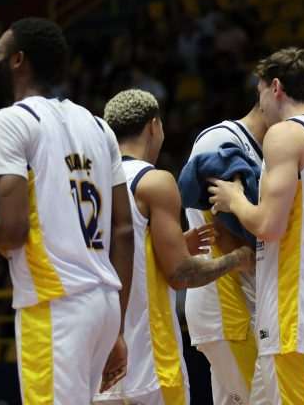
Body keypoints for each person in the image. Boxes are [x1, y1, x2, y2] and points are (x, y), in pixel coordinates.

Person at [0, 17, 135, 403]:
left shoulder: (11, 121)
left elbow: (14, 230)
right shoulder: (99, 126)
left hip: (56, 303)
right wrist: (117, 328)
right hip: (103, 303)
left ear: (18, 60)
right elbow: (123, 230)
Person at [208, 47, 304, 404]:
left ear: (275, 87)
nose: (261, 105)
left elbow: (268, 226)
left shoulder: (285, 134)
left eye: (260, 91)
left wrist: (234, 199)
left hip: (293, 314)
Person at [94, 89, 255, 405]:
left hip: (97, 365)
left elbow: (116, 253)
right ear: (153, 126)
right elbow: (182, 275)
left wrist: (166, 248)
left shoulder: (88, 183)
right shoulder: (153, 181)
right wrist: (238, 257)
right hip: (148, 364)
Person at [181, 103, 266, 405]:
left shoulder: (263, 150)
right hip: (228, 307)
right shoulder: (220, 141)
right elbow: (226, 240)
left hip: (237, 305)